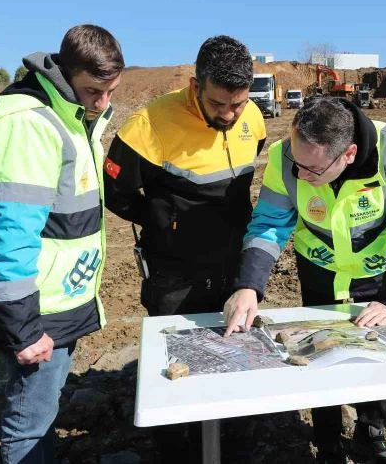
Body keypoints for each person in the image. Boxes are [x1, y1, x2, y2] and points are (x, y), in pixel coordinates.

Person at [223, 97, 386, 464]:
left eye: (313, 169)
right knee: (319, 352)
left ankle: (371, 433)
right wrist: (248, 285)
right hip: (318, 270)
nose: (301, 174)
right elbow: (270, 223)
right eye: (297, 164)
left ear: (348, 154)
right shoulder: (285, 156)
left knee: (374, 352)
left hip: (374, 274)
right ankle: (328, 442)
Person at [102, 35, 266, 462]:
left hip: (233, 264)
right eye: (218, 105)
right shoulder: (149, 125)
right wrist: (163, 221)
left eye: (238, 104)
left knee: (237, 351)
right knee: (177, 364)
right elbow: (116, 191)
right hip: (175, 271)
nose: (230, 115)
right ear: (196, 85)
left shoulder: (253, 119)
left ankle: (235, 444)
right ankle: (179, 451)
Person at [0, 24, 124, 463]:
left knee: (43, 409)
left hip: (54, 303)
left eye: (111, 90)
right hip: (36, 315)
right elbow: (9, 237)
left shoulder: (68, 115)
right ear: (65, 74)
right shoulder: (29, 127)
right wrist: (24, 330)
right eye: (94, 90)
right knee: (29, 425)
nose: (103, 102)